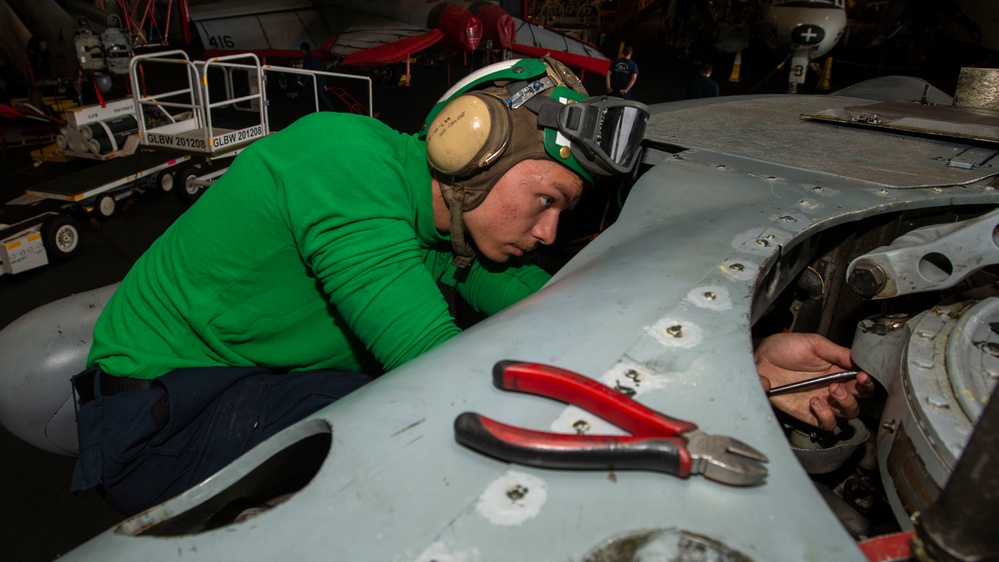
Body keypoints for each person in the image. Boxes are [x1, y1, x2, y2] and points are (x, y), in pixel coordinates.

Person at [69, 57, 651, 515]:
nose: (549, 232)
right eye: (546, 200)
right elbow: (439, 370)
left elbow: (543, 301)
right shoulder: (342, 164)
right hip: (155, 423)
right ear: (476, 149)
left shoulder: (429, 221)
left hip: (237, 388)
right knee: (404, 428)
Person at [300, 42, 336, 111]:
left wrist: (304, 83)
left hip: (315, 80)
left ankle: (330, 110)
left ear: (303, 50)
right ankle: (326, 109)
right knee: (319, 96)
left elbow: (308, 71)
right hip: (320, 79)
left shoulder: (307, 59)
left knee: (319, 96)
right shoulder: (314, 58)